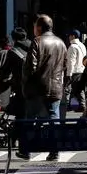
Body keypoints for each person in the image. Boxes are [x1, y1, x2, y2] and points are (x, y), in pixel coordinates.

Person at [20, 15, 67, 162]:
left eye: (35, 26)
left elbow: (30, 68)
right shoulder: (61, 43)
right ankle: (54, 151)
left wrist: (26, 84)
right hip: (56, 87)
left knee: (30, 119)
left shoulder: (37, 42)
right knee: (54, 119)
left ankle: (26, 150)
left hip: (38, 88)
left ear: (39, 27)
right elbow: (65, 65)